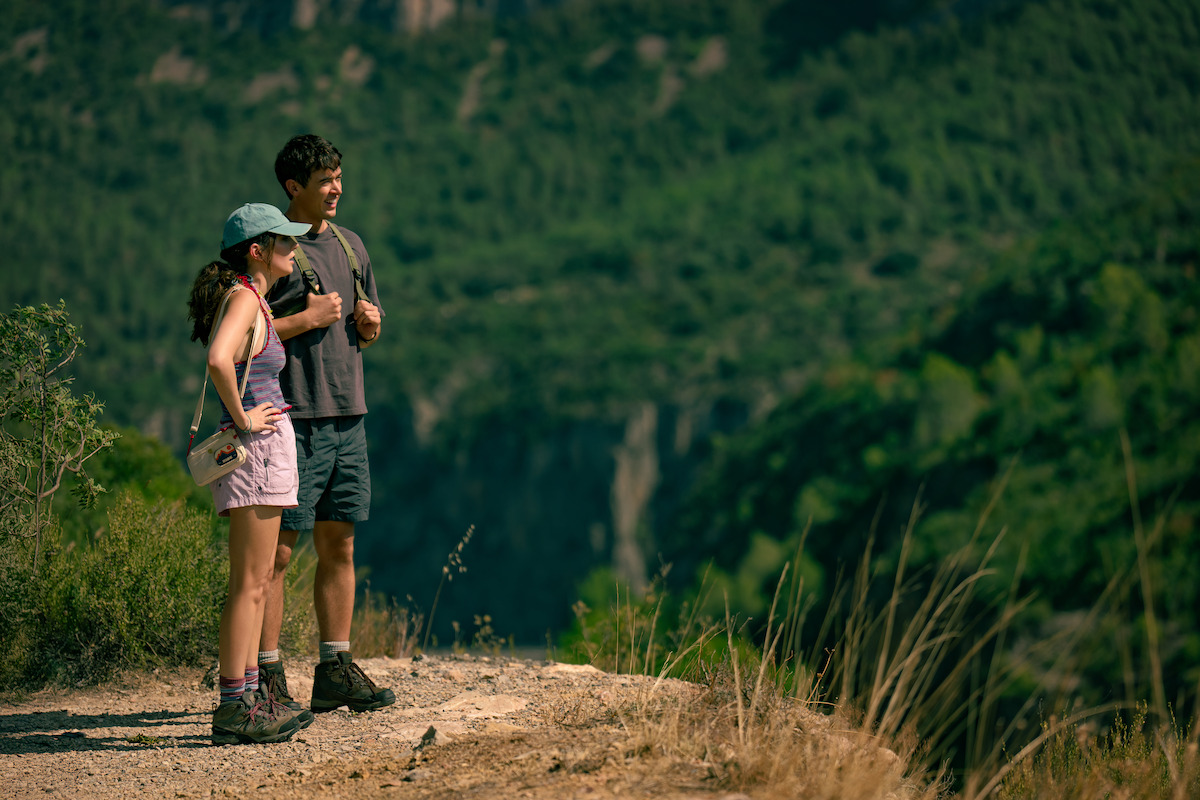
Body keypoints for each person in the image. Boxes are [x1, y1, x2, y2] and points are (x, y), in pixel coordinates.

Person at [256, 134, 395, 714]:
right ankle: (265, 679)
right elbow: (242, 332)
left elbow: (369, 329)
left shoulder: (351, 243)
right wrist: (305, 319)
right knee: (278, 554)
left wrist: (370, 324)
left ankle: (334, 669)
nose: (336, 188)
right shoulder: (271, 249)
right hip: (294, 421)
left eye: (338, 177)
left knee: (341, 543)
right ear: (294, 187)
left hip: (348, 417)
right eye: (324, 181)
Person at [187, 203, 315, 744]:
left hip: (264, 450)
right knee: (248, 583)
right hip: (256, 452)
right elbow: (219, 359)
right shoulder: (244, 297)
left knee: (258, 581)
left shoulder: (252, 298)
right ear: (257, 251)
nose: (294, 248)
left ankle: (249, 700)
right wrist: (244, 420)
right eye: (284, 241)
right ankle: (233, 707)